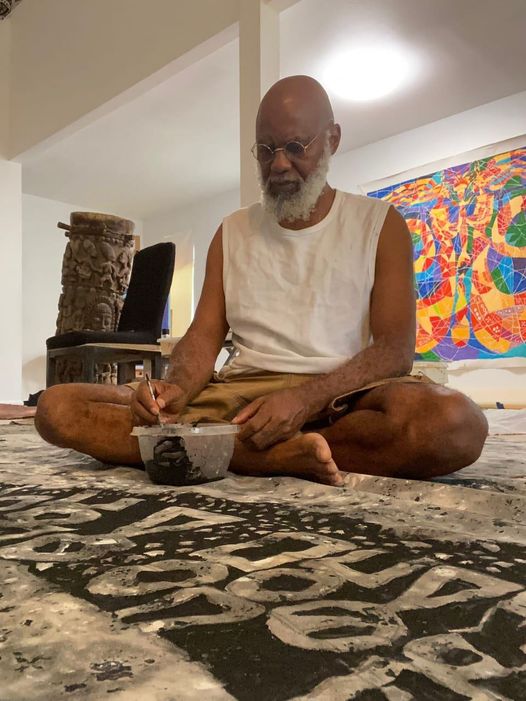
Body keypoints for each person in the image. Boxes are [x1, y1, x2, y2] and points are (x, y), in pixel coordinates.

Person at [35, 76, 488, 486]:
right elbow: (204, 336)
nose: (279, 165)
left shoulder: (381, 224)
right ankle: (274, 456)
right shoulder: (231, 232)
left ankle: (217, 448)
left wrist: (303, 400)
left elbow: (394, 350)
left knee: (455, 423)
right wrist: (175, 387)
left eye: (295, 146)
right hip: (240, 399)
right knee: (57, 410)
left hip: (340, 398)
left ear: (332, 139)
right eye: (266, 149)